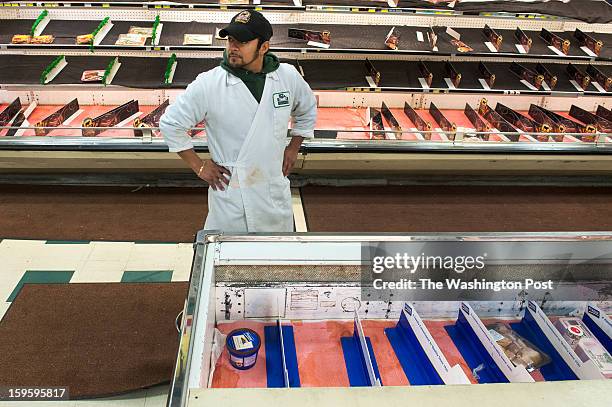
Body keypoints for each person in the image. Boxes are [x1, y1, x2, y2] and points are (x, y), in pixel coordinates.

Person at [160, 10, 317, 232]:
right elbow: (170, 124)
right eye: (231, 40)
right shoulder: (209, 84)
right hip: (232, 193)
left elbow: (307, 109)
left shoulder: (287, 77)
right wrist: (199, 165)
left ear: (263, 47)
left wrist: (293, 147)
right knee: (229, 259)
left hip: (272, 189)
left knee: (276, 259)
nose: (233, 47)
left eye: (242, 42)